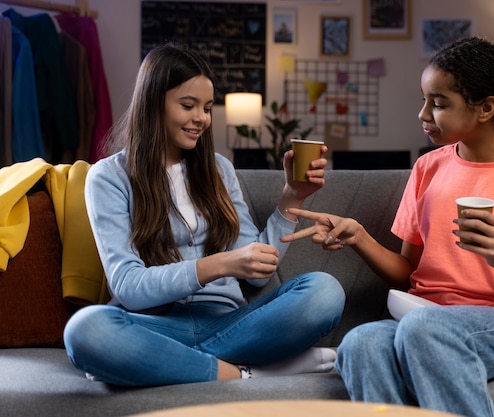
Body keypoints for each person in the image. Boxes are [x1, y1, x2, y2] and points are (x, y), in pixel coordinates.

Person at [280, 37, 494, 417]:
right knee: (361, 342)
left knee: (424, 328)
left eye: (439, 103)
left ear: (487, 108)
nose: (424, 114)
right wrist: (358, 236)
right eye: (424, 100)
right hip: (424, 317)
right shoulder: (428, 169)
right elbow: (407, 273)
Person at [63, 42, 345, 387]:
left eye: (208, 108)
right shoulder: (108, 177)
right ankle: (243, 373)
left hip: (228, 322)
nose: (202, 118)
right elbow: (129, 286)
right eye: (188, 105)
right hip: (153, 324)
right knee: (86, 329)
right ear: (153, 103)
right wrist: (221, 264)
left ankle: (164, 366)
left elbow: (256, 276)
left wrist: (292, 196)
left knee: (324, 291)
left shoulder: (219, 170)